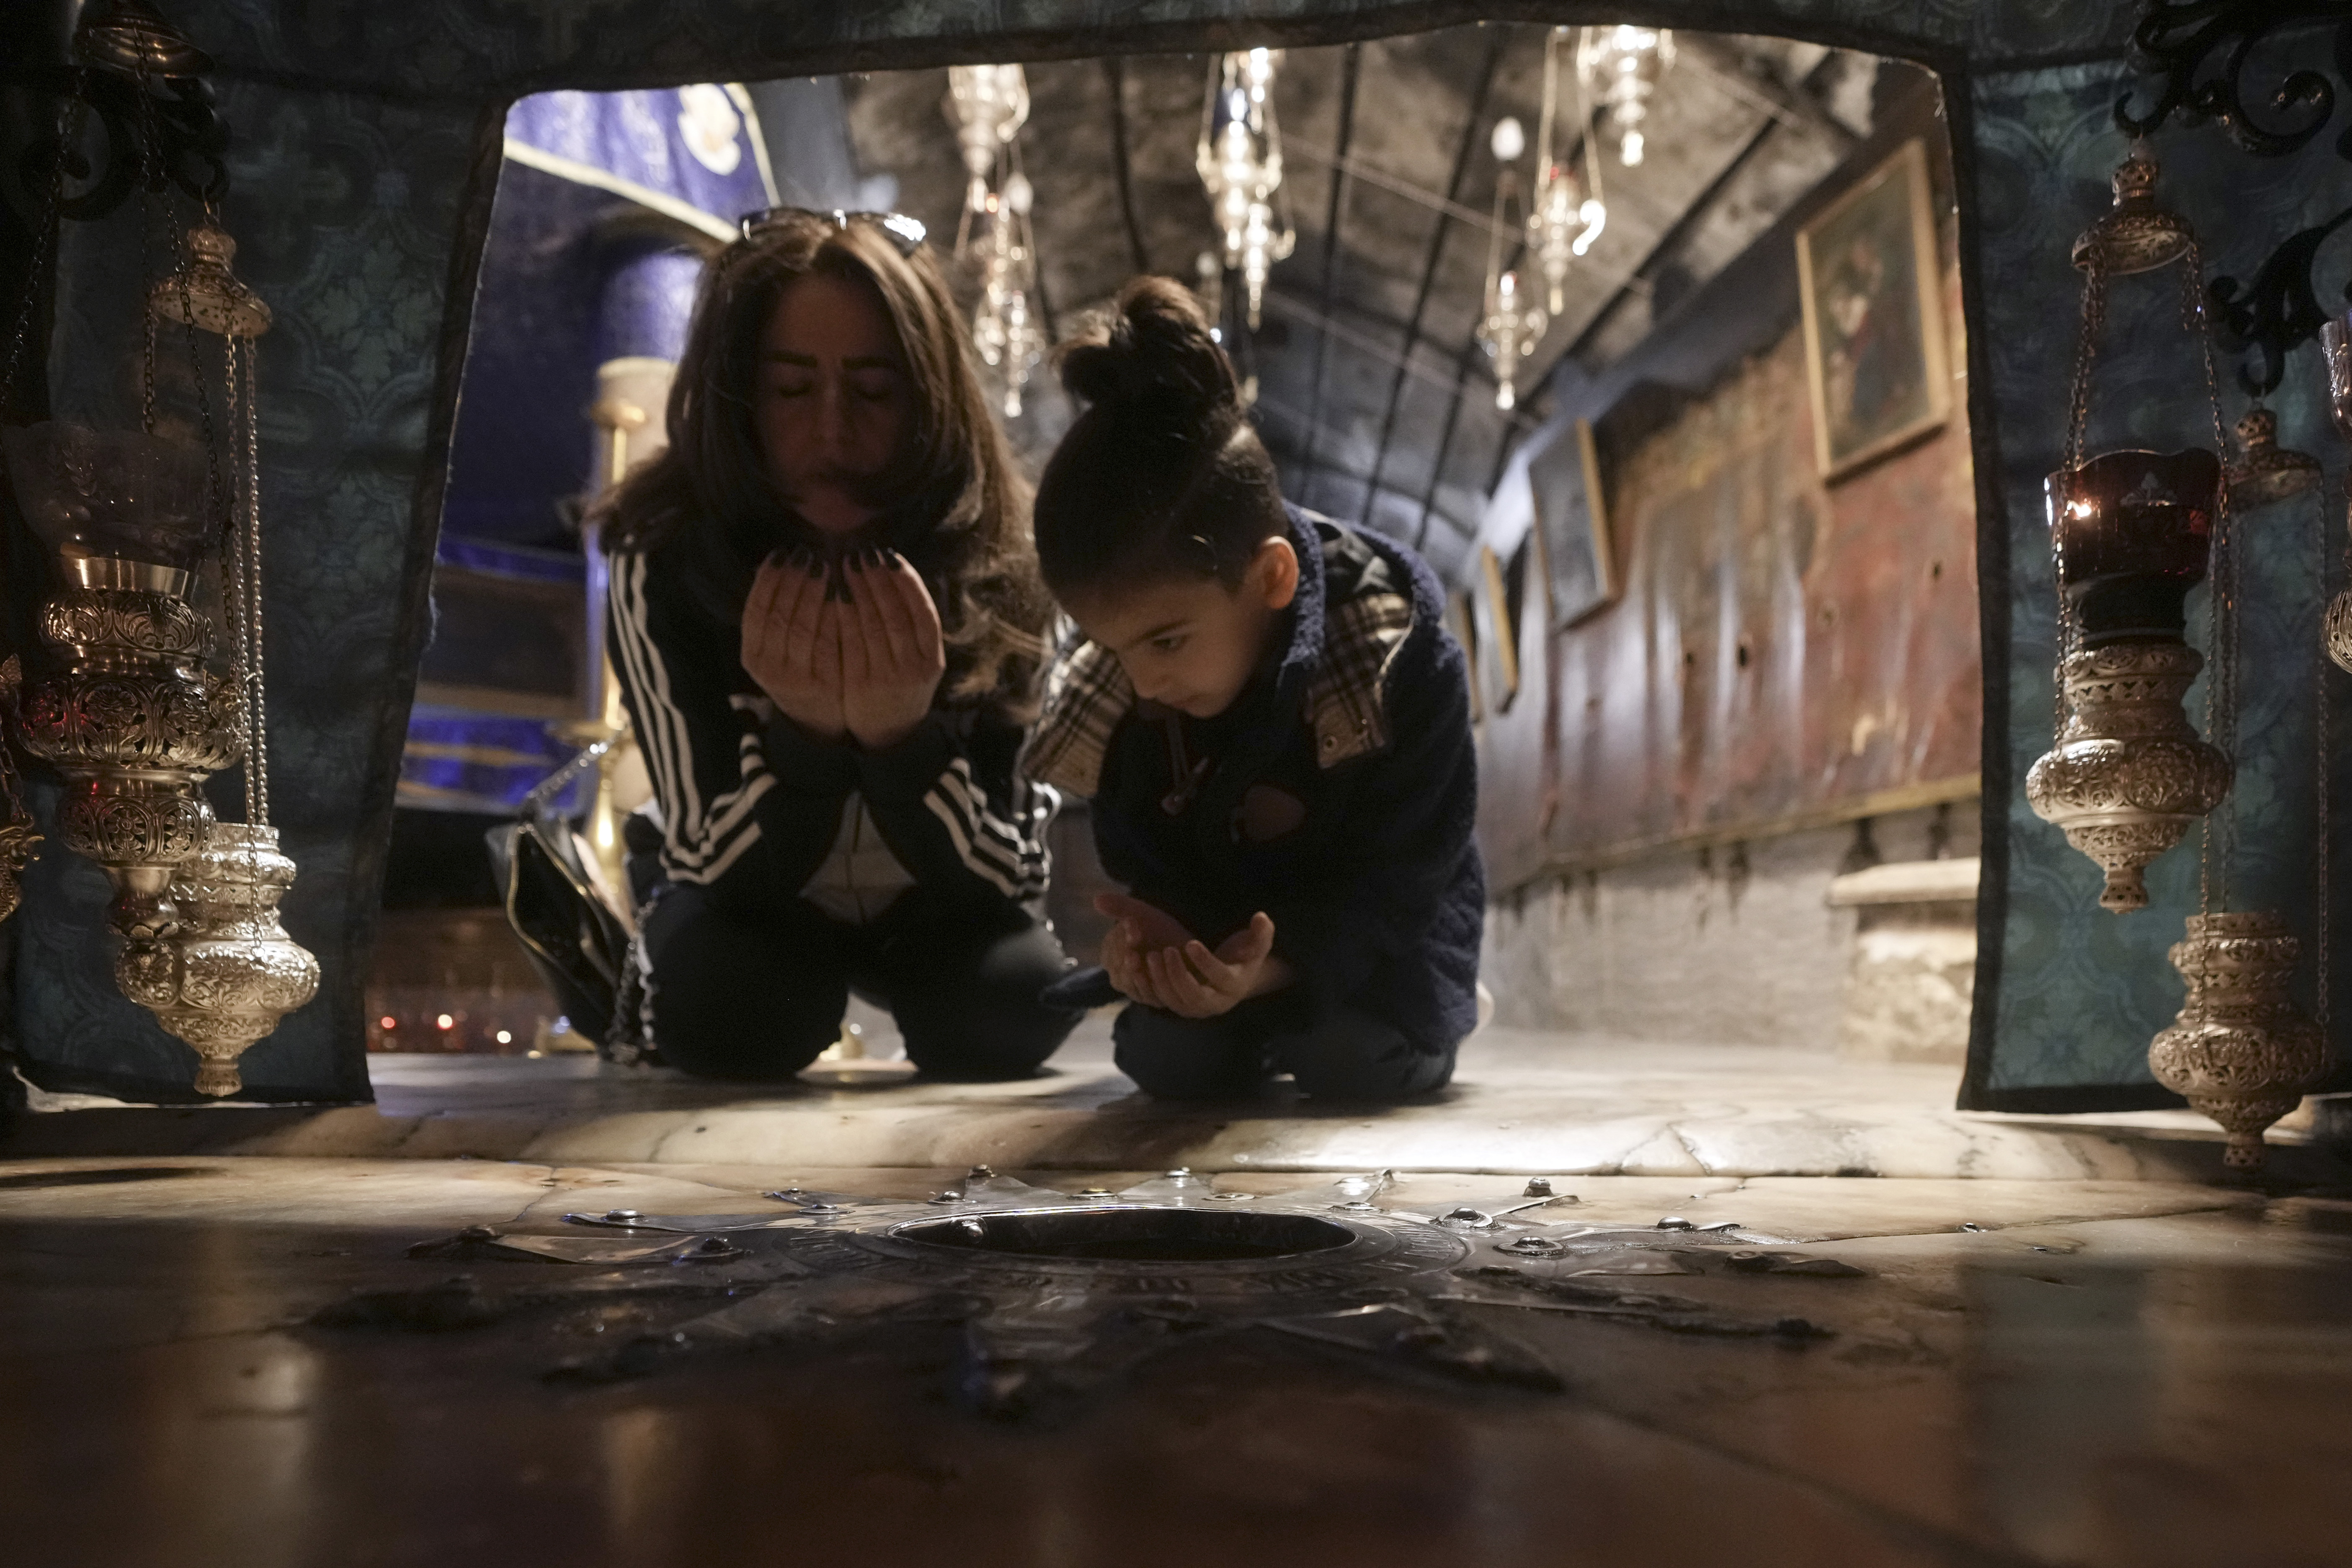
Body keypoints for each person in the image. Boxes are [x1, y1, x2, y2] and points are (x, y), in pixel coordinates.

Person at [596, 209, 1080, 1081]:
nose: (832, 433)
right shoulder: (665, 558)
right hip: (754, 914)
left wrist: (902, 743)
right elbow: (708, 853)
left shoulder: (1009, 563)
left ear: (929, 395)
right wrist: (809, 740)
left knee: (1010, 1008)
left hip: (939, 909)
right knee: (734, 1012)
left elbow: (1014, 865)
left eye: (874, 390)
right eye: (790, 390)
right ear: (738, 393)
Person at [1024, 277, 1483, 1101]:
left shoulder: (1400, 661)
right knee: (1169, 1064)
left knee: (1351, 1061)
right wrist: (1158, 947)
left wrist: (1270, 970)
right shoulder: (1125, 683)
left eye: (1166, 641)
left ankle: (1424, 1019)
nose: (1143, 681)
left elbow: (1406, 881)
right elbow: (1145, 863)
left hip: (1383, 943)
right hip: (1226, 950)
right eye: (1113, 648)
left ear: (1272, 574)